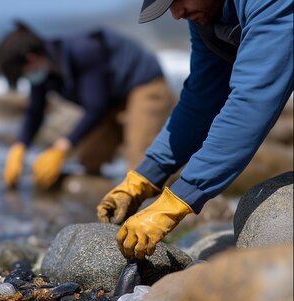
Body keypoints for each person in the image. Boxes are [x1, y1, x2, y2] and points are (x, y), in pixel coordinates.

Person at [98, 0, 293, 260]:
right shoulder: (205, 13)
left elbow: (251, 100)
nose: (177, 14)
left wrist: (178, 199)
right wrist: (145, 176)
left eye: (177, 0)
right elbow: (202, 98)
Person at [0, 22, 173, 189]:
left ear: (31, 59)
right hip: (111, 99)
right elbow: (35, 111)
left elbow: (96, 106)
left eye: (22, 74)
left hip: (144, 85)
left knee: (140, 164)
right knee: (89, 159)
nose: (26, 78)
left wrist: (61, 147)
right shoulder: (45, 71)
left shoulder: (82, 51)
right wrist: (19, 146)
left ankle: (167, 201)